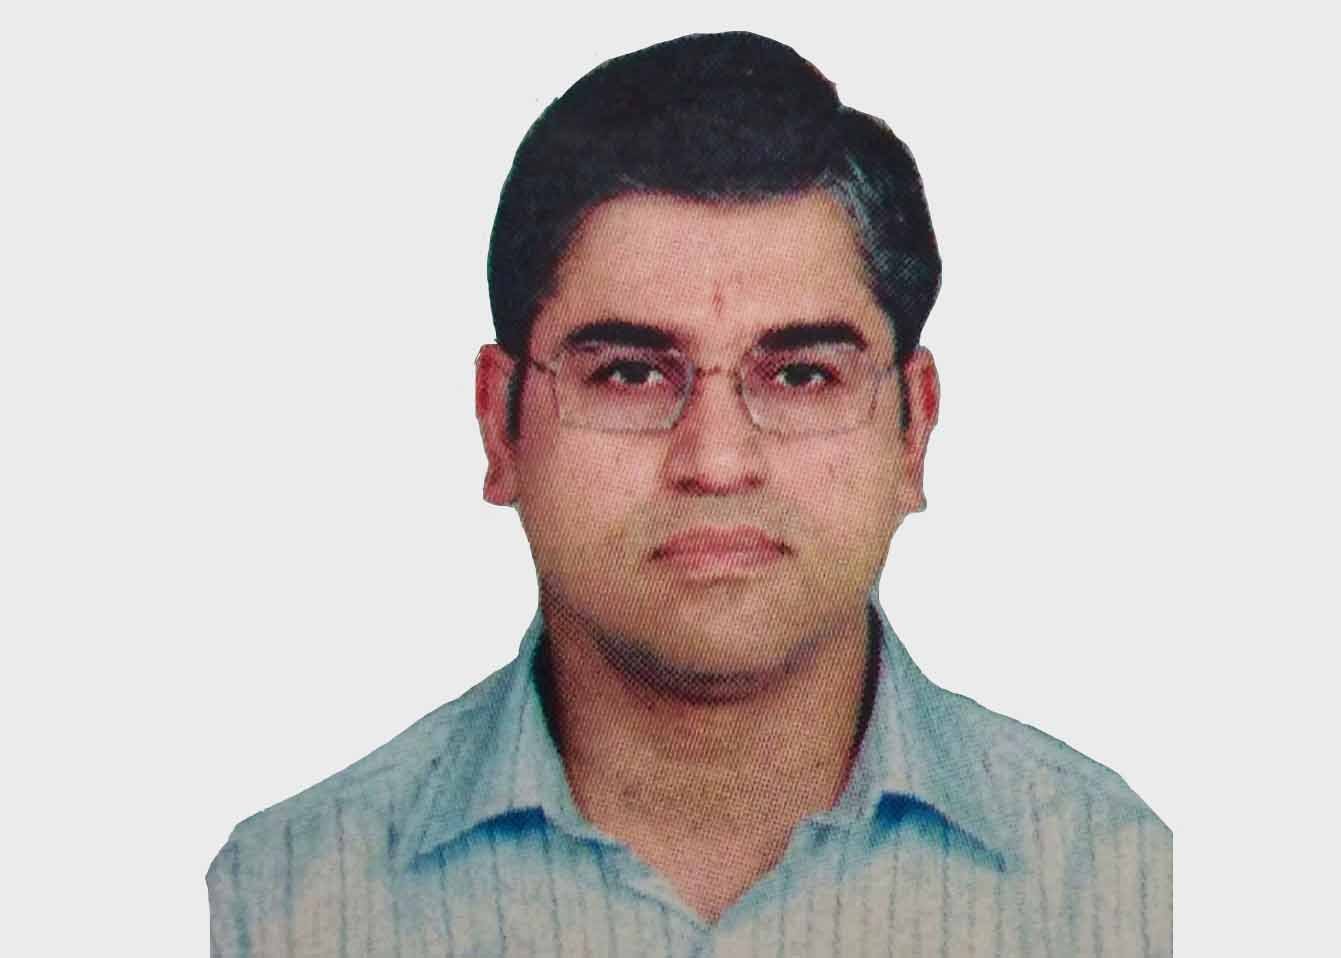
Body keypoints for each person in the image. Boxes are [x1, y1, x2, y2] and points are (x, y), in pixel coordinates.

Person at [207, 31, 1171, 957]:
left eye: (801, 376)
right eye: (629, 374)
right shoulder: (281, 902)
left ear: (912, 429)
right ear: (500, 424)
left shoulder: (1122, 885)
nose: (715, 461)